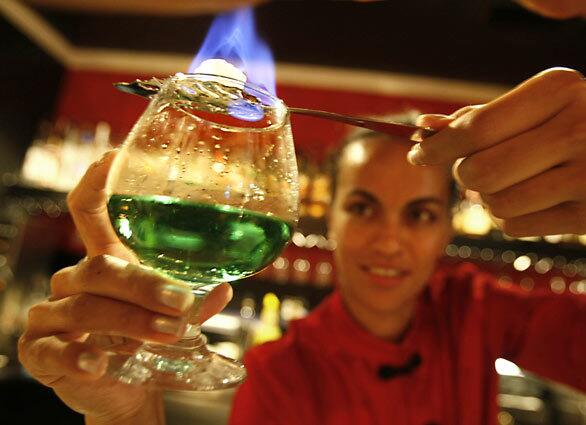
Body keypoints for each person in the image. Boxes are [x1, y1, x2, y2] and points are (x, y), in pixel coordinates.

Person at [17, 1, 586, 424]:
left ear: (445, 228)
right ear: (328, 216)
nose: (389, 239)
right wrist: (124, 416)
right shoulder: (281, 372)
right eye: (363, 206)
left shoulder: (478, 311)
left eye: (418, 214)